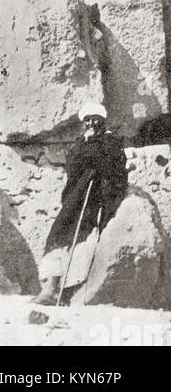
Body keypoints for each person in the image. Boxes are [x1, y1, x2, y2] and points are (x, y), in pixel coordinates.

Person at [33, 102, 128, 305]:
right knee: (58, 237)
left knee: (83, 243)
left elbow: (113, 170)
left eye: (96, 120)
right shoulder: (78, 145)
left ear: (102, 122)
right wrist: (87, 145)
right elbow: (73, 169)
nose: (91, 123)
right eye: (87, 120)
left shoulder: (111, 142)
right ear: (83, 124)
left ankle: (65, 292)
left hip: (97, 202)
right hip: (75, 201)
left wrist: (95, 147)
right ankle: (49, 287)